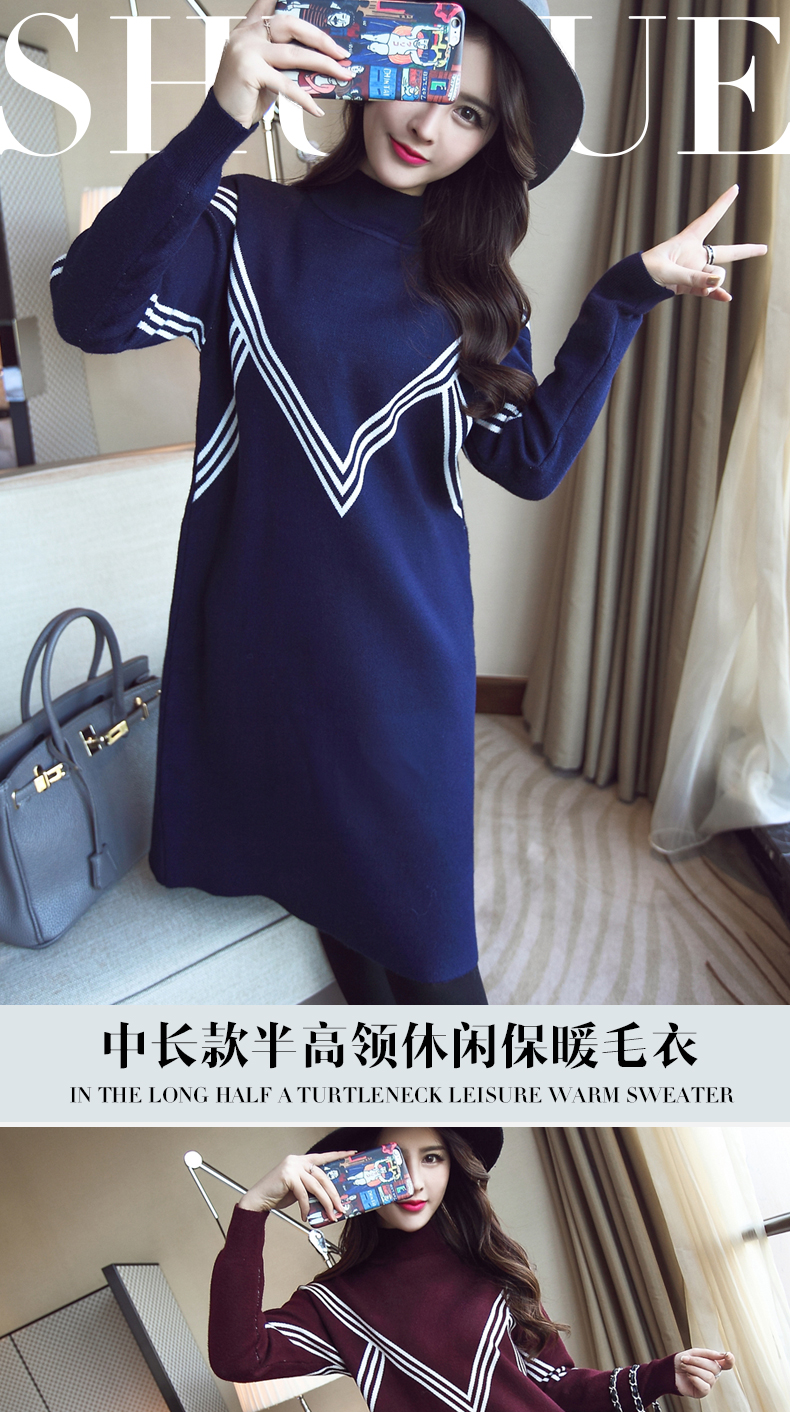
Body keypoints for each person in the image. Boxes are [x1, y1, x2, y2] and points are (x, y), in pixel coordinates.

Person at [50, 0, 766, 1007]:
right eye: (425, 84)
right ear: (372, 68)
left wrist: (625, 293)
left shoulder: (477, 292)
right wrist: (222, 116)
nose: (430, 124)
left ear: (491, 146)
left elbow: (528, 462)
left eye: (470, 114)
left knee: (432, 955)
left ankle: (451, 1106)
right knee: (338, 911)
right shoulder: (247, 223)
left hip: (403, 669)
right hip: (257, 650)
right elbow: (89, 311)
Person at [208, 1126, 735, 1412]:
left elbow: (561, 1388)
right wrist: (253, 1210)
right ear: (355, 1170)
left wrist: (662, 1375)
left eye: (432, 1158)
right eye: (394, 1160)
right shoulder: (335, 1305)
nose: (415, 1180)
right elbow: (239, 1356)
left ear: (453, 1167)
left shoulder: (492, 1268)